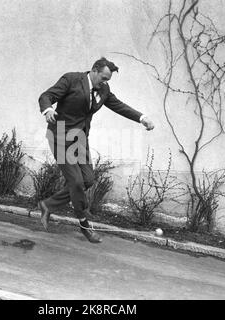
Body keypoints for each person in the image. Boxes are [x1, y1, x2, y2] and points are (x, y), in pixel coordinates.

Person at [38, 57, 154, 243]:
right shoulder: (72, 79)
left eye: (108, 80)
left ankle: (47, 205)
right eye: (104, 78)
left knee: (88, 179)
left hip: (79, 137)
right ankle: (85, 225)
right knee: (75, 181)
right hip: (60, 134)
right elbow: (46, 96)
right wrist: (48, 110)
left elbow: (119, 106)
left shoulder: (104, 90)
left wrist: (142, 118)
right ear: (94, 70)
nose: (105, 82)